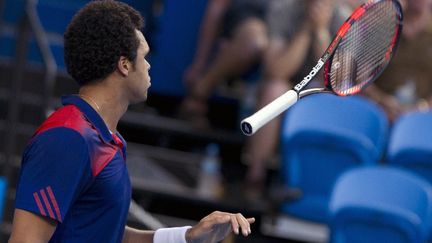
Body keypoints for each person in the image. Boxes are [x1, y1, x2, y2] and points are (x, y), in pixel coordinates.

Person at [8, 1, 254, 243]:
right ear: (124, 65)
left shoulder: (105, 138)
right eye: (144, 56)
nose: (148, 66)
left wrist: (187, 237)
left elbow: (108, 233)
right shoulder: (68, 137)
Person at [243, 0, 348, 192]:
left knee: (329, 100)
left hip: (319, 93)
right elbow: (277, 70)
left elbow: (335, 80)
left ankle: (306, 185)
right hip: (286, 86)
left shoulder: (345, 18)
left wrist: (321, 32)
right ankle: (255, 178)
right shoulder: (282, 10)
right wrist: (306, 30)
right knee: (274, 89)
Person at [179, 0, 268, 127]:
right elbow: (217, 8)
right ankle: (200, 92)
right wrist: (199, 64)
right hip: (245, 22)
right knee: (254, 41)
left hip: (287, 32)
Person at [363, 0, 432, 122]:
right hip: (378, 111)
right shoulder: (383, 27)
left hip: (421, 116)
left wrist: (422, 107)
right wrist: (381, 100)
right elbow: (361, 77)